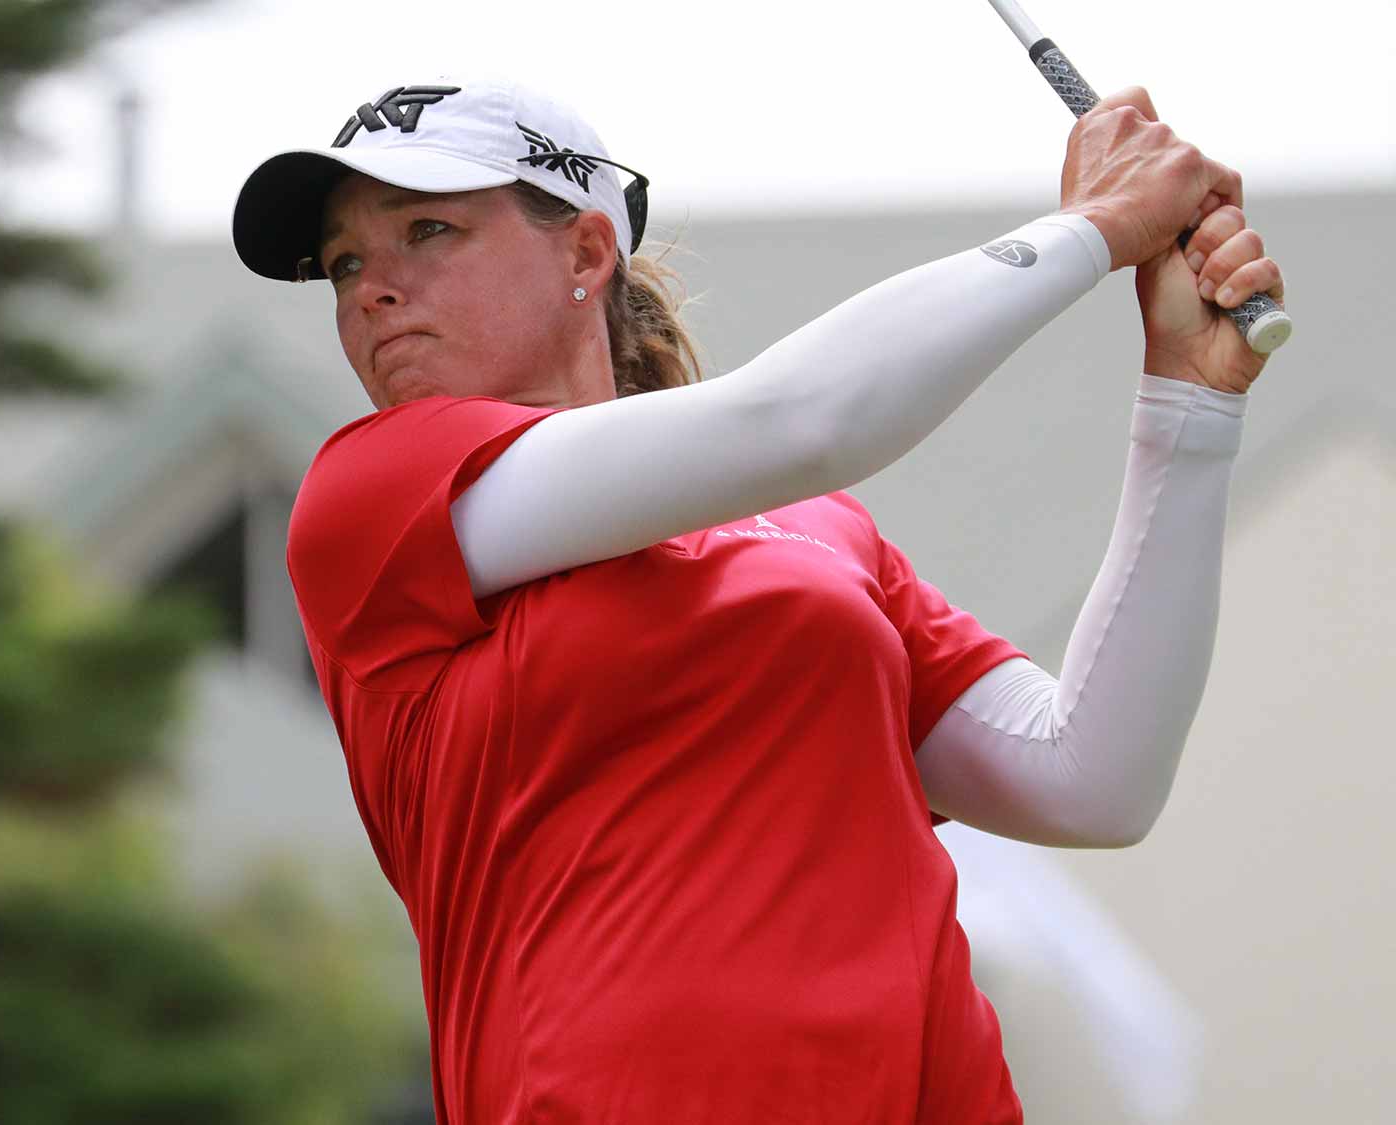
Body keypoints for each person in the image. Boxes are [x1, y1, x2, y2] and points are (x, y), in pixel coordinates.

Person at [231, 76, 1283, 1124]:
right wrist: (1093, 228)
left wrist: (1187, 401)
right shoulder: (371, 498)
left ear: (584, 254)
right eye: (344, 263)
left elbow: (1087, 780)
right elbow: (802, 420)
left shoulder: (817, 534)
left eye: (428, 229)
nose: (370, 288)